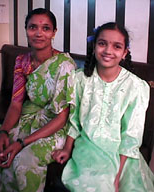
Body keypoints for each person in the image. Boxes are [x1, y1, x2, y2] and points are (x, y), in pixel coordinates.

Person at [52, 22, 154, 192]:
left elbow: (131, 136)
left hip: (123, 154)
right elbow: (75, 120)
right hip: (88, 149)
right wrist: (67, 148)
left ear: (124, 53)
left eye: (116, 46)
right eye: (102, 43)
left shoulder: (136, 87)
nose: (108, 50)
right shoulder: (79, 80)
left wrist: (117, 176)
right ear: (94, 47)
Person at [0, 8, 76, 192]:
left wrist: (22, 142)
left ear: (54, 33)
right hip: (28, 118)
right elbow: (16, 103)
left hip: (56, 126)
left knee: (24, 160)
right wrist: (4, 132)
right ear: (26, 30)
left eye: (46, 28)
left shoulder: (64, 65)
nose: (39, 33)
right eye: (32, 27)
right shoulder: (22, 61)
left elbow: (62, 118)